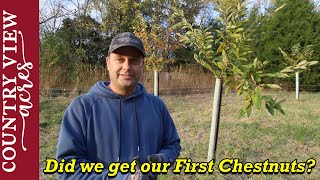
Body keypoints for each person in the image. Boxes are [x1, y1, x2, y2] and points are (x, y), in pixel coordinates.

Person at [56, 32, 181, 179]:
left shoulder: (157, 106)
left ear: (142, 65)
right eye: (120, 59)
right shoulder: (82, 108)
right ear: (108, 62)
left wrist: (163, 159)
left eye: (133, 61)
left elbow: (172, 145)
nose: (126, 67)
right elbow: (67, 169)